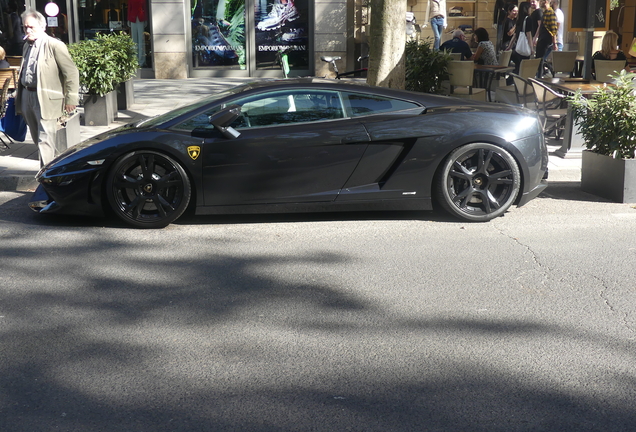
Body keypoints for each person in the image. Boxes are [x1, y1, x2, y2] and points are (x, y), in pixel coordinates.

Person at [16, 9, 80, 168]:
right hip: (27, 96)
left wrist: (71, 98)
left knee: (45, 139)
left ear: (42, 27)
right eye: (25, 27)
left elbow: (71, 72)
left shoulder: (54, 45)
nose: (27, 30)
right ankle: (52, 170)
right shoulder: (26, 46)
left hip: (46, 98)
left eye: (31, 27)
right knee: (37, 138)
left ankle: (46, 180)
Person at [508, 2, 533, 80]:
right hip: (525, 47)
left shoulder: (519, 20)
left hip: (519, 47)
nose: (530, 9)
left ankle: (513, 81)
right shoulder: (528, 19)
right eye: (529, 7)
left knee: (518, 66)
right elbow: (529, 35)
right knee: (524, 68)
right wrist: (532, 48)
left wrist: (509, 46)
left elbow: (515, 35)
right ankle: (521, 82)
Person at [535, 0, 557, 77]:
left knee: (540, 59)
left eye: (541, 1)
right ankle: (541, 74)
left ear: (546, 1)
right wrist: (536, 37)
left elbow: (554, 29)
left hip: (546, 38)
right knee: (538, 58)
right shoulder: (545, 12)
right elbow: (541, 26)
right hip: (542, 37)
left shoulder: (551, 13)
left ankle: (540, 76)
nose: (540, 2)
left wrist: (555, 43)